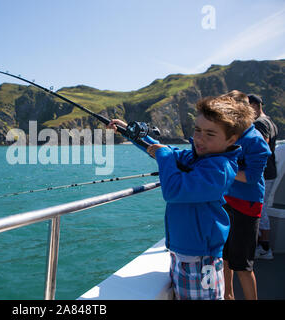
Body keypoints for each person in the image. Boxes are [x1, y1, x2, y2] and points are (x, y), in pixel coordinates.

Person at [107, 94, 255, 300]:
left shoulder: (219, 168)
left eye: (210, 134)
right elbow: (164, 150)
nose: (200, 139)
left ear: (231, 139)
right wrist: (130, 132)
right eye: (197, 130)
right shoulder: (198, 157)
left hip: (200, 259)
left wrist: (164, 155)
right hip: (184, 253)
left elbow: (173, 190)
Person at [220, 91, 271, 300]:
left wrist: (223, 168)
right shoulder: (230, 136)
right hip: (226, 201)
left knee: (243, 265)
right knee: (224, 258)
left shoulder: (256, 141)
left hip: (246, 206)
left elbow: (251, 176)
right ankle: (228, 296)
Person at [248, 94, 278, 260]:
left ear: (254, 105)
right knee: (262, 206)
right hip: (271, 171)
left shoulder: (260, 123)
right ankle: (262, 243)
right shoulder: (271, 121)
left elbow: (262, 145)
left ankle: (265, 247)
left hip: (264, 173)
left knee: (261, 208)